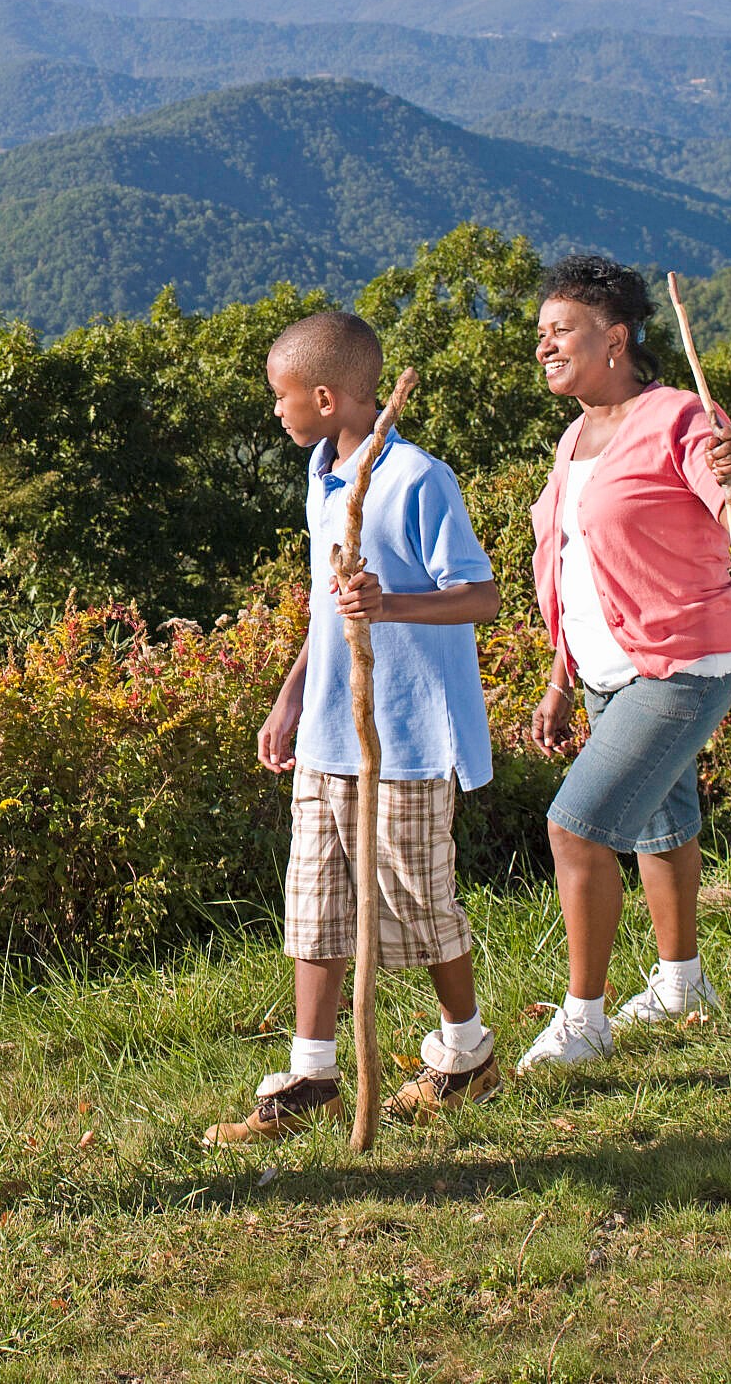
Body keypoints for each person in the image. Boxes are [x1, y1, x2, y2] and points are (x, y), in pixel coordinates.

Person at [206, 311, 506, 1144]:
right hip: (329, 732)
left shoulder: (414, 478)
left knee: (418, 898)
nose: (277, 410)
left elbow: (479, 595)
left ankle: (464, 1051)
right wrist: (292, 694)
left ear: (330, 396)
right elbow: (324, 605)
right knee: (315, 900)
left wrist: (392, 603)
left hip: (406, 739)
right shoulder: (322, 472)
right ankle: (312, 1073)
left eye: (283, 395)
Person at [520, 255, 731, 1070]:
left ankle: (585, 1018)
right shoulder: (574, 437)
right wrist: (561, 677)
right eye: (540, 334)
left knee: (574, 828)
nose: (543, 347)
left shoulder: (679, 417)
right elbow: (572, 565)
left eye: (559, 331)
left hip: (681, 664)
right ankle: (681, 985)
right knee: (664, 824)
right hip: (605, 671)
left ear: (616, 338)